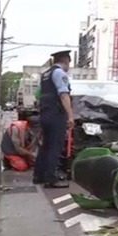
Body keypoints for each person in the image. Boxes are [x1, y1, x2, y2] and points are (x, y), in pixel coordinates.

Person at [33, 50, 75, 188]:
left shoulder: (45, 75)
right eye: (69, 62)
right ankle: (51, 178)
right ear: (65, 61)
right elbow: (64, 95)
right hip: (56, 114)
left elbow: (38, 96)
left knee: (46, 145)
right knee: (55, 146)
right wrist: (70, 115)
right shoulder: (60, 73)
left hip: (45, 114)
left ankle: (38, 175)